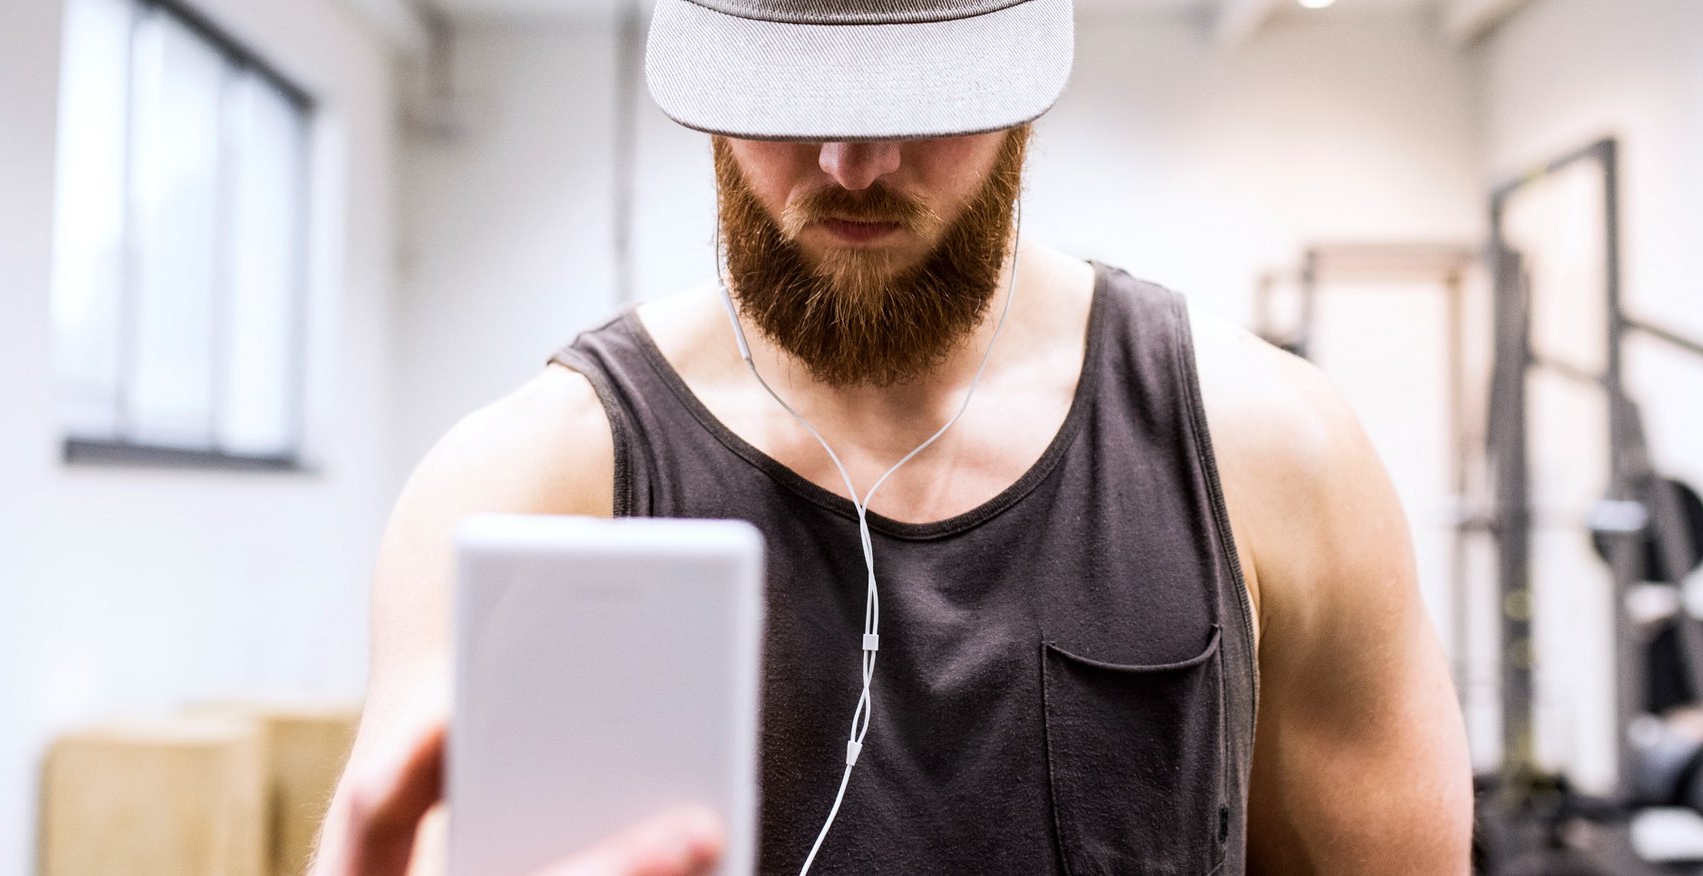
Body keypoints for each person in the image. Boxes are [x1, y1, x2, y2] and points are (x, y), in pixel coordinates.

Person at [311, 1, 1471, 873]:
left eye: (922, 93)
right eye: (790, 99)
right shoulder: (529, 482)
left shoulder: (1274, 454)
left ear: (1026, 88)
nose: (854, 163)